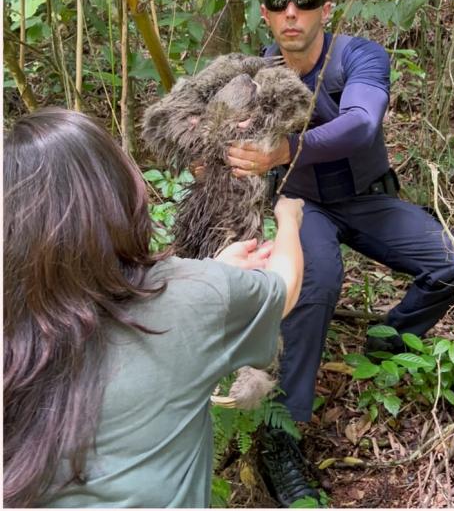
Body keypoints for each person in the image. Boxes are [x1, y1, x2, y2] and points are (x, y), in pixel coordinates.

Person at [224, 0, 454, 505]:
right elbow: (219, 130)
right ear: (265, 14)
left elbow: (360, 124)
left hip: (366, 199)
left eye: (304, 1)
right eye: (279, 3)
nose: (292, 13)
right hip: (301, 204)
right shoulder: (255, 75)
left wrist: (283, 148)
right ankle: (283, 433)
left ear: (325, 9)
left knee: (450, 265)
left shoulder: (359, 55)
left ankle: (383, 345)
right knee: (313, 283)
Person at [3, 108, 305, 507]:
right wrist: (289, 218)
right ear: (119, 192)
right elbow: (284, 287)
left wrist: (212, 275)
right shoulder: (187, 297)